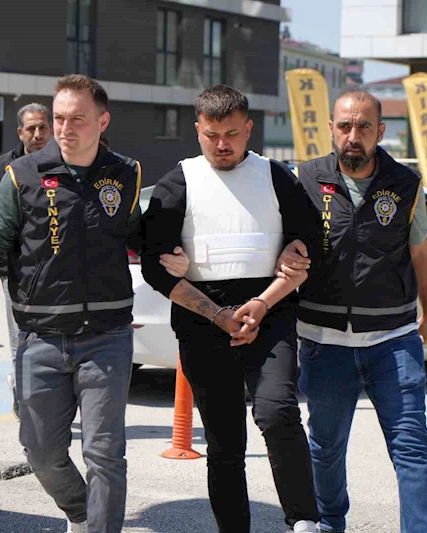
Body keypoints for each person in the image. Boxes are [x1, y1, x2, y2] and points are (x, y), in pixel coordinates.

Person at [0, 75, 142, 533]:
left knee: (104, 453)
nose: (64, 128)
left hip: (107, 337)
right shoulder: (21, 176)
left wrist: (172, 257)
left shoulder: (125, 174)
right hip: (39, 337)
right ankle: (80, 512)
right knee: (41, 453)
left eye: (76, 118)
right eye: (59, 118)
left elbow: (143, 238)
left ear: (102, 121)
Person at [141, 85, 321, 533]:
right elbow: (154, 267)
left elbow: (310, 246)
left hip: (271, 317)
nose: (222, 144)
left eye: (232, 134)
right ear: (197, 130)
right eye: (212, 135)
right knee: (224, 445)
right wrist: (216, 315)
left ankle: (304, 520)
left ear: (249, 129)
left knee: (277, 413)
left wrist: (265, 299)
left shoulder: (276, 177)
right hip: (203, 327)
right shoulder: (178, 182)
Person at [277, 89, 427, 533]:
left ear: (380, 132)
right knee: (326, 447)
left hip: (393, 340)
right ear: (331, 128)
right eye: (346, 125)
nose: (354, 135)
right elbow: (283, 242)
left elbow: (421, 252)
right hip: (324, 341)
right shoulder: (305, 179)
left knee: (412, 448)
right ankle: (331, 523)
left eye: (364, 126)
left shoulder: (405, 184)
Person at [0, 102, 52, 419]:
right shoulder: (2, 167)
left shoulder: (62, 162)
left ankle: (33, 389)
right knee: (19, 335)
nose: (38, 134)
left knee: (46, 334)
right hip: (15, 269)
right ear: (20, 132)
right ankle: (24, 399)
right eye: (31, 128)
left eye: (43, 127)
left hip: (53, 266)